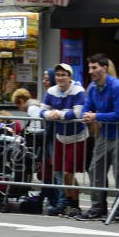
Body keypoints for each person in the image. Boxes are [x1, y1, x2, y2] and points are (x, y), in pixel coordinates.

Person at [75, 54, 119, 221]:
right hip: (104, 134)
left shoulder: (118, 87)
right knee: (95, 169)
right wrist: (88, 116)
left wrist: (96, 116)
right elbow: (88, 108)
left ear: (105, 68)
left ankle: (118, 208)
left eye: (94, 68)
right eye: (89, 68)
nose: (91, 71)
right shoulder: (93, 87)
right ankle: (97, 207)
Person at [40, 63, 87, 217]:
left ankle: (74, 204)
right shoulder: (51, 91)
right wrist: (50, 115)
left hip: (77, 138)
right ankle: (70, 204)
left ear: (70, 77)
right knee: (63, 173)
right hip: (61, 137)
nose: (60, 78)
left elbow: (78, 113)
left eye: (63, 75)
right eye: (58, 75)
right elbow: (42, 110)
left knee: (68, 174)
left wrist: (58, 114)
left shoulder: (78, 90)